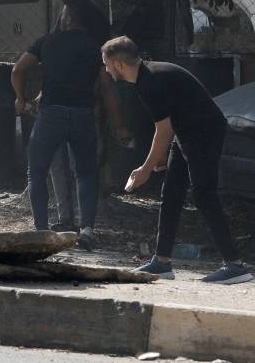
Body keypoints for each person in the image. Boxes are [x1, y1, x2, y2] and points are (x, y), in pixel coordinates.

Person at [102, 36, 251, 284]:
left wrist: (145, 169)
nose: (105, 69)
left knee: (204, 193)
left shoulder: (150, 82)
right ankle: (161, 262)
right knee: (171, 192)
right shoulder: (146, 76)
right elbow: (171, 123)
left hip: (203, 131)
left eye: (106, 63)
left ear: (118, 64)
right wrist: (160, 157)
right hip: (187, 131)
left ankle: (235, 265)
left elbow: (163, 130)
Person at [13, 0, 113, 250]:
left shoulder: (46, 42)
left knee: (37, 170)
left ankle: (40, 231)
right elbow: (106, 87)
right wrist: (120, 124)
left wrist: (21, 98)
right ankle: (87, 230)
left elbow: (18, 70)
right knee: (86, 173)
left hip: (50, 115)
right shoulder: (95, 47)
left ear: (66, 19)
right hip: (83, 114)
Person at [46, 0, 133, 232]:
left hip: (82, 100)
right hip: (75, 97)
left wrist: (116, 120)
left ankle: (80, 222)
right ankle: (74, 221)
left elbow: (102, 72)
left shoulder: (84, 19)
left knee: (76, 164)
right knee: (69, 162)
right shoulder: (76, 15)